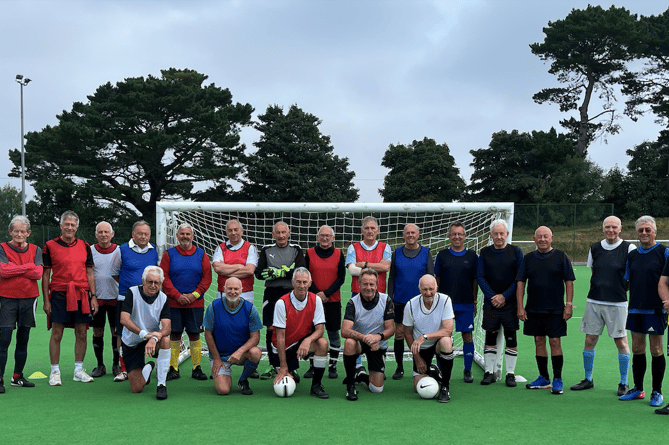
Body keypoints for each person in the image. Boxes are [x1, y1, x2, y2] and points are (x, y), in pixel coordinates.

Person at [570, 216, 634, 396]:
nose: (610, 230)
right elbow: (594, 272)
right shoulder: (595, 248)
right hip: (594, 301)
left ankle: (624, 382)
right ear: (603, 228)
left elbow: (631, 277)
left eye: (614, 227)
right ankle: (588, 379)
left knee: (621, 342)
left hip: (618, 303)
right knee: (589, 340)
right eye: (607, 227)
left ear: (620, 228)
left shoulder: (629, 248)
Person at [516, 226, 575, 395]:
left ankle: (557, 379)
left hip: (555, 309)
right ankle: (543, 377)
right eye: (539, 237)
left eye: (546, 236)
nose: (542, 239)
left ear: (552, 238)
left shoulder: (561, 256)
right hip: (533, 309)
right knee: (539, 342)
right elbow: (521, 282)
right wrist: (520, 306)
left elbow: (569, 281)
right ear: (534, 239)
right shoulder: (528, 259)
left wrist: (568, 304)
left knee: (555, 342)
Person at [42, 210, 99, 386]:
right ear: (61, 225)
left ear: (77, 227)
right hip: (59, 293)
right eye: (66, 224)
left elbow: (90, 272)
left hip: (82, 294)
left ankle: (78, 370)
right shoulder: (50, 245)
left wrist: (94, 296)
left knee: (82, 332)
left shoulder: (85, 246)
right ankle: (55, 371)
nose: (69, 227)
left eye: (73, 224)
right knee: (57, 333)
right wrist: (46, 300)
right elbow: (46, 274)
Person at [618, 216, 669, 409]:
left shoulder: (664, 253)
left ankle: (657, 391)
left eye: (648, 230)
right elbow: (628, 283)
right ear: (637, 233)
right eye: (641, 230)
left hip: (656, 309)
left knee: (656, 350)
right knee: (638, 349)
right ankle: (638, 388)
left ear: (655, 232)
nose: (644, 233)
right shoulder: (632, 255)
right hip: (635, 309)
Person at [160, 223, 212, 381]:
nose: (185, 236)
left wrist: (194, 295)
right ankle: (173, 368)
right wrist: (177, 295)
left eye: (188, 234)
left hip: (195, 303)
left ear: (193, 236)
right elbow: (164, 277)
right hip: (174, 303)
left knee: (194, 334)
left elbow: (207, 278)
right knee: (175, 334)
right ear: (177, 236)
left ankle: (196, 368)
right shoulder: (169, 255)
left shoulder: (202, 255)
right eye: (182, 234)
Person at [255, 221, 306, 380]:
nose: (281, 235)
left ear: (289, 233)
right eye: (278, 232)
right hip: (271, 293)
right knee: (271, 329)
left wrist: (277, 272)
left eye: (284, 232)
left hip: (291, 293)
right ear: (273, 234)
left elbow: (300, 271)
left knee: (290, 329)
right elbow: (259, 273)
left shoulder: (296, 249)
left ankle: (292, 366)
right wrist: (286, 271)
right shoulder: (266, 249)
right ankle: (273, 365)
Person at [477, 219, 523, 387]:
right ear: (491, 235)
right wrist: (493, 297)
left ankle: (510, 374)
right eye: (495, 234)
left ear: (507, 234)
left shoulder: (516, 252)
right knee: (490, 336)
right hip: (491, 303)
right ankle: (488, 372)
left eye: (501, 233)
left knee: (511, 337)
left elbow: (519, 277)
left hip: (510, 303)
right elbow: (480, 276)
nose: (498, 236)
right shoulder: (484, 252)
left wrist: (504, 296)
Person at [110, 220, 158, 382]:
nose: (143, 237)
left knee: (143, 332)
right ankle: (123, 369)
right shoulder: (121, 250)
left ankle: (141, 366)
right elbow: (115, 272)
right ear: (133, 234)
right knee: (121, 334)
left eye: (146, 234)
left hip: (147, 301)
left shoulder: (154, 250)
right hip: (125, 300)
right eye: (140, 233)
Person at [271, 267, 329, 399]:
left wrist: (307, 341)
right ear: (292, 283)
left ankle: (316, 385)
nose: (301, 286)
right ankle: (287, 368)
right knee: (286, 380)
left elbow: (320, 329)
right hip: (283, 348)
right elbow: (280, 337)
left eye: (304, 282)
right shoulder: (282, 303)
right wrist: (283, 366)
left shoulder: (316, 300)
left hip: (301, 343)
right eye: (298, 282)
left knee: (322, 343)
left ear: (310, 283)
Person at [0, 216, 43, 392]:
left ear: (28, 233)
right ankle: (0, 378)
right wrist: (28, 266)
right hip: (7, 298)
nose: (19, 234)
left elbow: (38, 273)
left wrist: (15, 268)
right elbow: (3, 271)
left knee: (23, 339)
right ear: (10, 231)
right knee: (4, 339)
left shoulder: (36, 249)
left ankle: (17, 376)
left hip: (29, 299)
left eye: (22, 231)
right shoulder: (2, 248)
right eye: (16, 231)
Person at [387, 223, 434, 380]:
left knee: (421, 333)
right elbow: (392, 277)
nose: (410, 235)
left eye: (413, 232)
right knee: (399, 334)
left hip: (420, 302)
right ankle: (399, 367)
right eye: (408, 233)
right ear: (403, 235)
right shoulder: (397, 253)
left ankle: (424, 363)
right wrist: (391, 298)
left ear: (418, 234)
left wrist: (429, 299)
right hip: (400, 301)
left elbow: (431, 278)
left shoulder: (426, 252)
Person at [345, 216, 391, 372]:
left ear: (377, 230)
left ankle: (378, 362)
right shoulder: (353, 247)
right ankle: (357, 365)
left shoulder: (385, 247)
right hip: (357, 295)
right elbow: (351, 269)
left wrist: (364, 265)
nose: (370, 231)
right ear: (362, 230)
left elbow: (386, 268)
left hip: (379, 297)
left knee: (382, 329)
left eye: (373, 228)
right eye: (367, 228)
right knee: (355, 331)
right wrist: (376, 267)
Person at [341, 268, 395, 401]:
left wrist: (377, 337)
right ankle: (350, 384)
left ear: (377, 285)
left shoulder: (386, 300)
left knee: (376, 389)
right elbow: (345, 331)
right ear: (359, 285)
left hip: (378, 344)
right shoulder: (352, 303)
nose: (368, 287)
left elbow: (390, 329)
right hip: (360, 342)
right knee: (349, 343)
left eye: (371, 284)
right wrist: (365, 338)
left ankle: (361, 375)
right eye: (365, 284)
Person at [434, 222, 477, 383]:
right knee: (444, 336)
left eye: (460, 234)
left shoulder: (473, 256)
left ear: (465, 236)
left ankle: (467, 370)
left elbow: (475, 280)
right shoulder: (442, 255)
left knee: (467, 335)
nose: (457, 237)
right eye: (453, 234)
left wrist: (474, 301)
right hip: (444, 305)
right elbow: (436, 279)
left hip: (465, 303)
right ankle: (439, 368)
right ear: (449, 236)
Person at [204, 277, 262, 395]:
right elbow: (208, 333)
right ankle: (223, 372)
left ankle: (243, 380)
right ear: (224, 289)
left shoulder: (250, 309)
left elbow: (255, 337)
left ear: (241, 290)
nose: (232, 291)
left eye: (236, 289)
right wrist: (216, 358)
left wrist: (240, 351)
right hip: (220, 355)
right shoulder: (213, 307)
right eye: (229, 288)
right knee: (223, 390)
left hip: (241, 355)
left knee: (256, 352)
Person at [119, 266, 171, 400]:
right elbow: (124, 319)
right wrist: (144, 334)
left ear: (160, 284)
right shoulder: (132, 292)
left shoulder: (163, 298)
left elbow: (167, 327)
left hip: (151, 339)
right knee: (137, 388)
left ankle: (161, 385)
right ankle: (148, 367)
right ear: (143, 281)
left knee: (165, 340)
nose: (153, 286)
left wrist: (153, 337)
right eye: (150, 282)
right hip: (132, 342)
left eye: (157, 283)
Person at [403, 275, 455, 403]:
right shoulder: (410, 305)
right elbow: (407, 333)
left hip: (437, 343)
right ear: (419, 289)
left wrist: (425, 336)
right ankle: (433, 370)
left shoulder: (445, 300)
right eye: (424, 289)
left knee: (446, 342)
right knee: (418, 387)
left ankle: (445, 386)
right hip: (421, 348)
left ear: (437, 287)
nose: (428, 293)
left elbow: (448, 330)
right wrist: (417, 358)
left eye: (431, 289)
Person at [305, 225, 346, 379]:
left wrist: (327, 293)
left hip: (333, 300)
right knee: (311, 333)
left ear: (333, 238)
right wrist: (317, 294)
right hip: (313, 301)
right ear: (317, 237)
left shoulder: (338, 253)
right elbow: (306, 275)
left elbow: (341, 278)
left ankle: (333, 366)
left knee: (333, 333)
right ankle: (312, 366)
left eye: (328, 236)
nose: (325, 238)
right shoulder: (309, 253)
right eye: (322, 235)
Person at [90, 221, 121, 379]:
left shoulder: (119, 251)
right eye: (100, 232)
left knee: (116, 332)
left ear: (112, 233)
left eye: (106, 232)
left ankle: (116, 364)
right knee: (97, 331)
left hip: (116, 299)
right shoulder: (90, 251)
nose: (103, 235)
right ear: (96, 234)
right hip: (97, 299)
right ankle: (100, 364)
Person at [212, 220, 258, 304]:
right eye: (230, 230)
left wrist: (225, 270)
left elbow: (249, 270)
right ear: (226, 232)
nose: (233, 233)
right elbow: (217, 268)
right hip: (223, 294)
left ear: (241, 231)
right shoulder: (220, 248)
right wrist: (239, 266)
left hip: (245, 294)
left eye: (236, 230)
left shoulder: (250, 248)